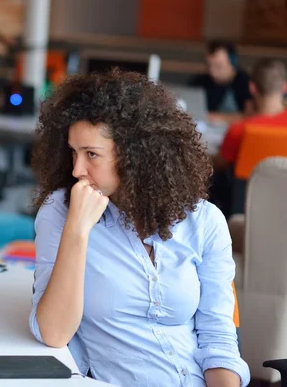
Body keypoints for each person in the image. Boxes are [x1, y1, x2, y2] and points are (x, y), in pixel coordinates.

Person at [29, 70, 249, 386]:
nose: (78, 169)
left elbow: (218, 340)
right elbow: (53, 332)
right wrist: (77, 230)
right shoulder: (61, 212)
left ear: (135, 155)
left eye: (91, 154)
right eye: (74, 152)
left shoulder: (204, 221)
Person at [210, 58, 287, 215]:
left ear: (252, 88)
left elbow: (218, 164)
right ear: (284, 87)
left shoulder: (239, 129)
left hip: (245, 214)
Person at [190, 41, 252, 124]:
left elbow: (250, 116)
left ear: (233, 63)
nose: (212, 72)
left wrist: (216, 117)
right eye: (209, 66)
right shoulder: (199, 82)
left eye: (219, 66)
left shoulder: (246, 83)